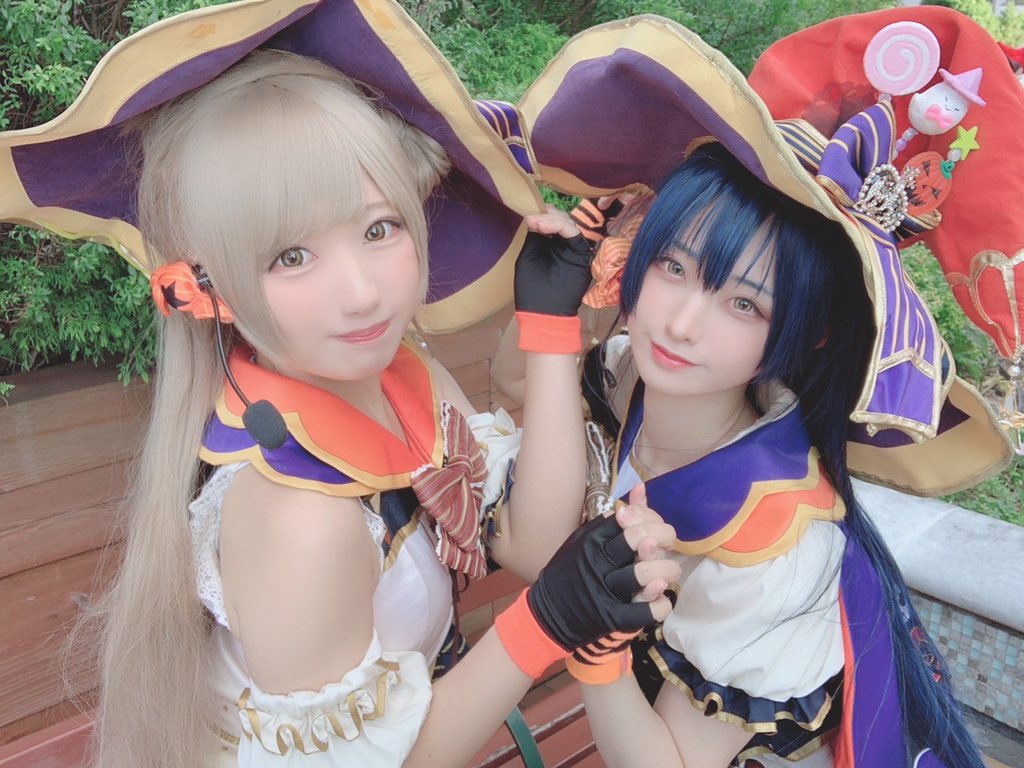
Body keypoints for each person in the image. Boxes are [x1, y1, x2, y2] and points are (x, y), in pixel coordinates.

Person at [0, 4, 682, 767]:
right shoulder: (300, 519)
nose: (361, 294)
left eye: (378, 228)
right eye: (291, 256)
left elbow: (531, 542)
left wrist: (550, 327)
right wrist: (546, 622)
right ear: (209, 286)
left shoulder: (399, 376)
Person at [492, 7, 1024, 768]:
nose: (680, 324)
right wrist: (553, 310)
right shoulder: (636, 373)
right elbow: (517, 379)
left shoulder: (778, 548)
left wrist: (596, 640)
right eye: (672, 266)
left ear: (807, 332)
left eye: (744, 304)